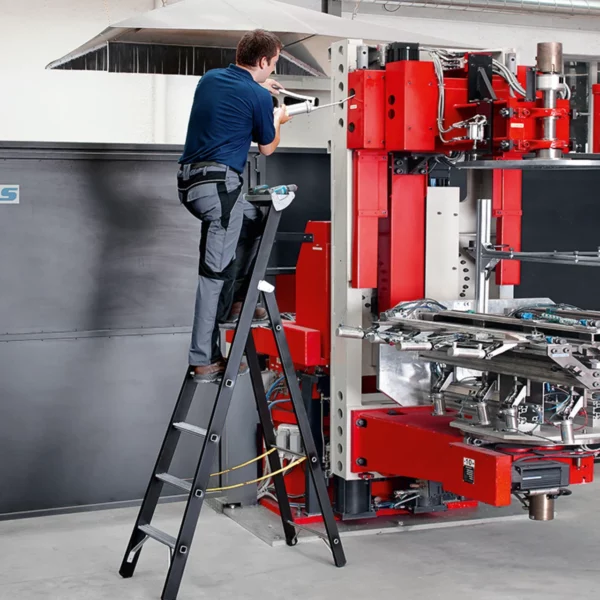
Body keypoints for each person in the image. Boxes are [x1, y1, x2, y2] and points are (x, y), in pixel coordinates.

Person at [177, 29, 292, 383]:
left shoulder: (210, 79)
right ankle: (204, 359)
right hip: (219, 189)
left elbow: (235, 94)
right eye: (273, 63)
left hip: (191, 184)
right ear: (263, 61)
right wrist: (277, 118)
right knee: (214, 273)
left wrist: (262, 87)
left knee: (255, 220)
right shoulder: (257, 97)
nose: (273, 69)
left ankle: (239, 301)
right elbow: (267, 147)